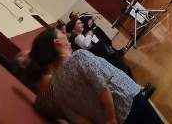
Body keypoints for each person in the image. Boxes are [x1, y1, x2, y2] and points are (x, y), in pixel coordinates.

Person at [28, 27, 159, 123]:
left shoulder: (56, 88)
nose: (65, 35)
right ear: (57, 43)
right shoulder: (78, 57)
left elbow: (78, 119)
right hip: (129, 104)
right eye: (61, 33)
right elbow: (102, 88)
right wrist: (111, 118)